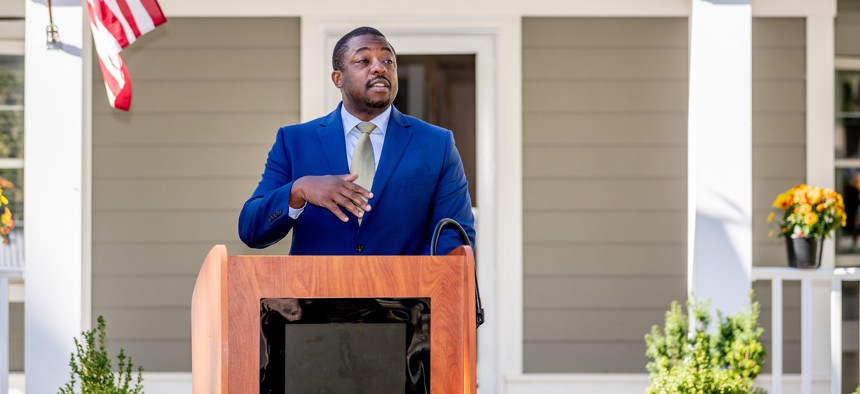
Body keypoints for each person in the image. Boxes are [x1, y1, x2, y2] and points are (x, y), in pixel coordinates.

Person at [238, 26, 475, 256]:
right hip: (315, 295)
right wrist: (299, 190)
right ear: (338, 78)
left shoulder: (437, 143)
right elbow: (252, 230)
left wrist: (408, 284)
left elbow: (456, 235)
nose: (379, 68)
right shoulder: (294, 141)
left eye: (387, 61)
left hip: (406, 296)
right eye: (364, 61)